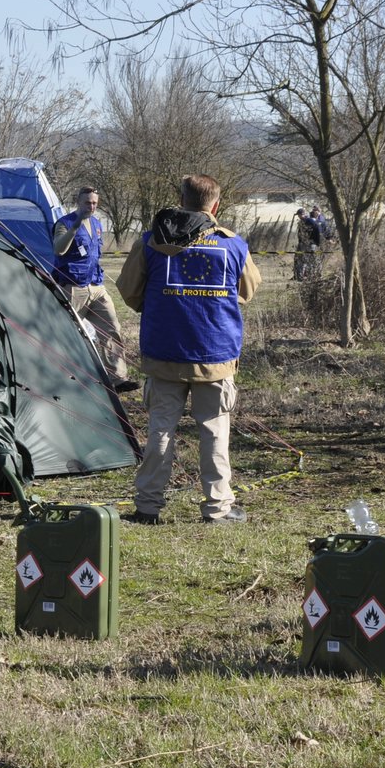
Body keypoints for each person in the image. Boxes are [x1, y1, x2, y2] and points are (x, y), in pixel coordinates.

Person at [115, 174, 260, 524]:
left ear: (181, 200)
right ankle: (217, 508)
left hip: (164, 352)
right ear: (215, 205)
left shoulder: (151, 242)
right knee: (213, 431)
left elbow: (130, 291)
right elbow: (247, 291)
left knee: (160, 430)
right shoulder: (234, 244)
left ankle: (147, 507)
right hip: (215, 354)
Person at [52, 186, 133, 391]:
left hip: (96, 286)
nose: (92, 206)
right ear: (78, 202)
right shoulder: (64, 223)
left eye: (95, 202)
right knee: (69, 334)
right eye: (88, 202)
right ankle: (63, 378)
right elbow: (59, 249)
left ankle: (118, 379)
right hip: (73, 287)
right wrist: (75, 227)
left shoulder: (97, 224)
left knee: (111, 328)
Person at [292, 206, 323, 281]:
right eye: (298, 215)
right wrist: (300, 243)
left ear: (303, 214)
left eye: (299, 215)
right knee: (300, 260)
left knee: (309, 260)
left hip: (310, 244)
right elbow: (300, 234)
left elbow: (317, 229)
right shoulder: (301, 222)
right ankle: (299, 277)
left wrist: (316, 241)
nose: (299, 216)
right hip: (302, 244)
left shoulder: (309, 221)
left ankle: (311, 276)